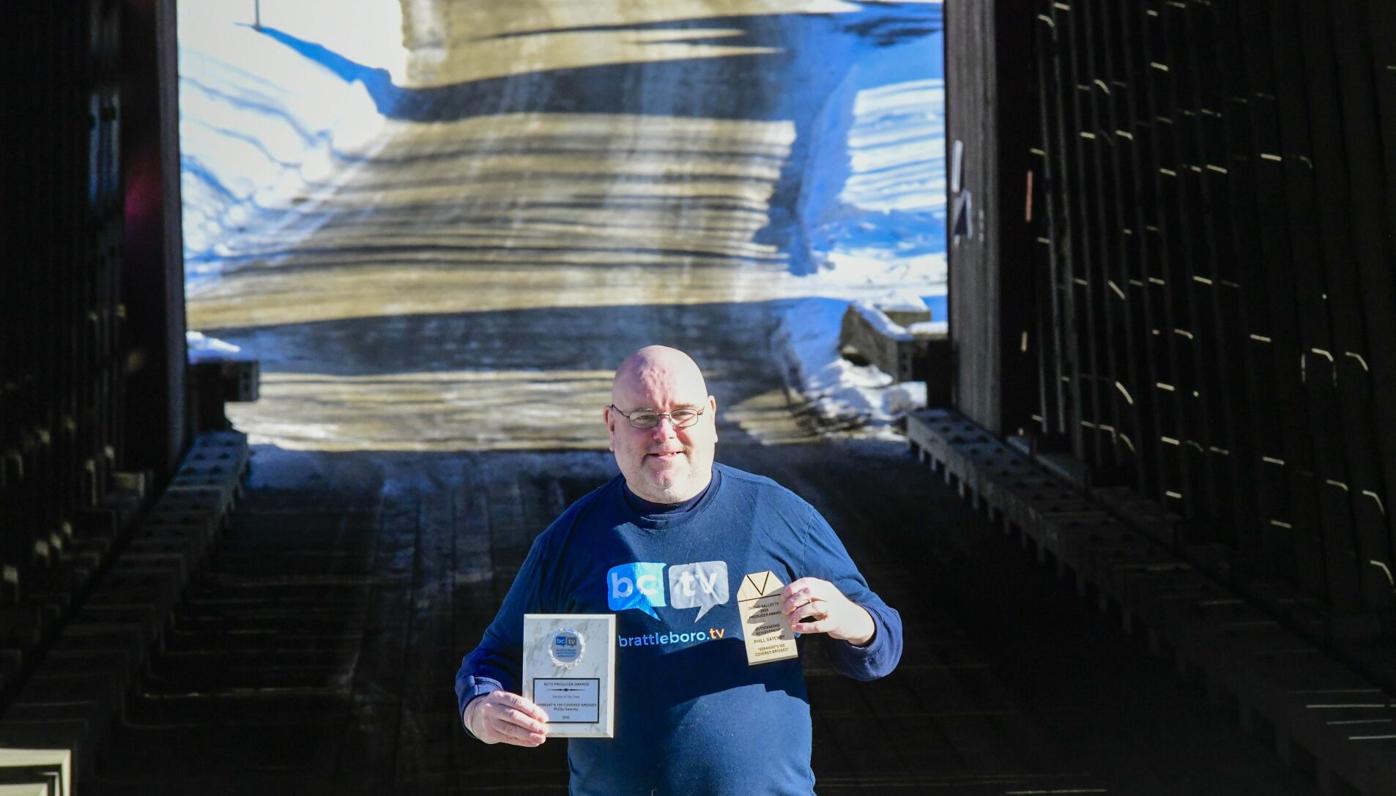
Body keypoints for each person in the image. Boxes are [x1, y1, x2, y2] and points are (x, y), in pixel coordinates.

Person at [455, 345, 902, 795]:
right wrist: (483, 709)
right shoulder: (570, 540)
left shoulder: (778, 514)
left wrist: (848, 620)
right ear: (612, 425)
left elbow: (882, 643)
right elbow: (493, 659)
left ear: (711, 417)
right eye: (644, 418)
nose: (664, 433)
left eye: (682, 414)